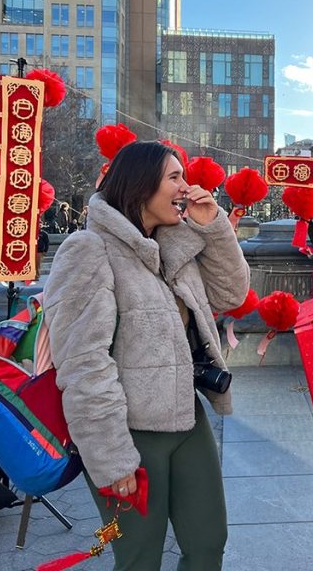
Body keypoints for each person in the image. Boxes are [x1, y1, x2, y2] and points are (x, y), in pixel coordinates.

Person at [43, 141, 249, 570]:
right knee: (139, 555)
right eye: (175, 177)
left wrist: (214, 227)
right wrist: (112, 456)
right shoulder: (89, 249)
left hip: (186, 419)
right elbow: (82, 362)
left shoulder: (172, 246)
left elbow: (232, 294)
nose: (186, 187)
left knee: (209, 541)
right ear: (140, 186)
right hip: (127, 431)